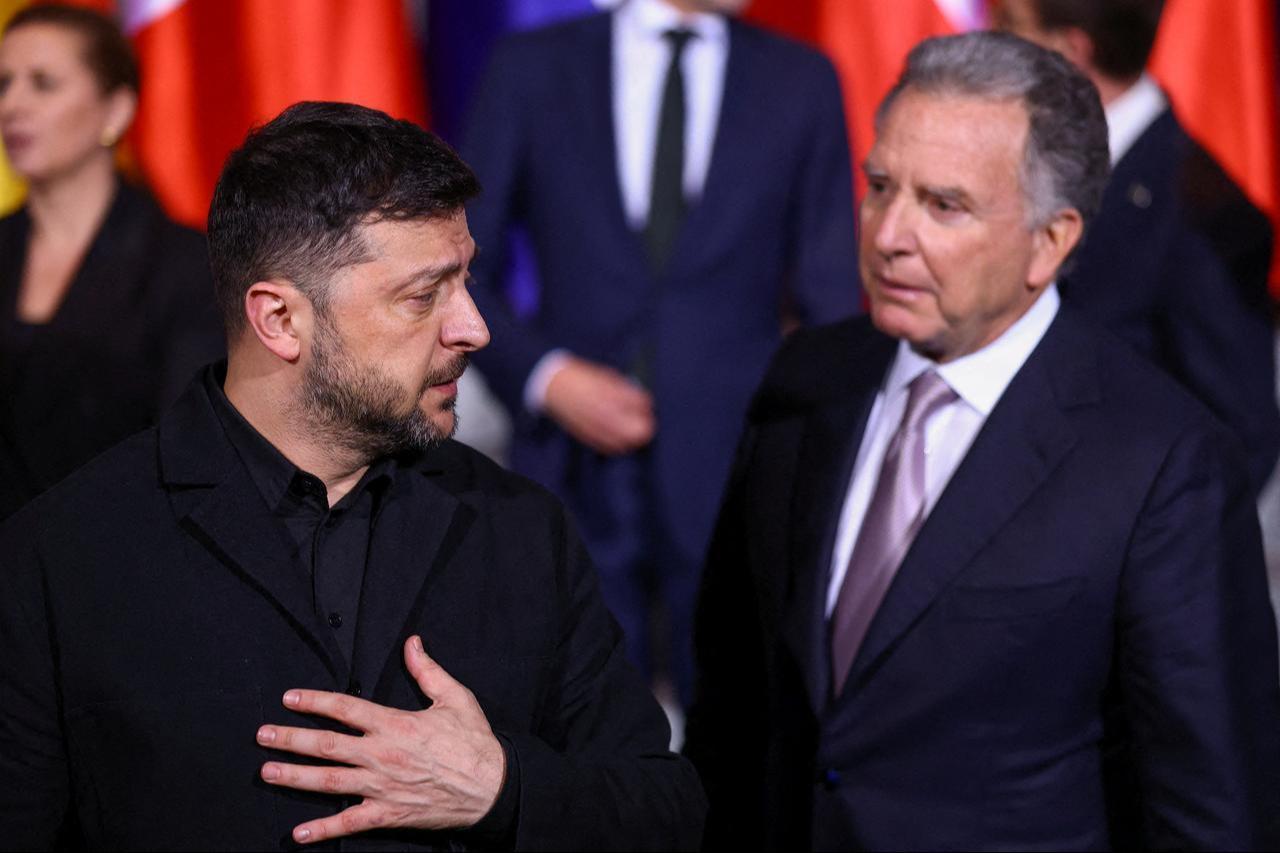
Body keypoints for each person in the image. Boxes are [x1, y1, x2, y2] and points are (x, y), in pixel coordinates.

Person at [0, 101, 705, 851]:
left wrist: (503, 785)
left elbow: (665, 811)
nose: (474, 327)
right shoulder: (63, 556)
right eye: (422, 295)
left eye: (465, 281)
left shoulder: (521, 526)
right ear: (280, 320)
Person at [684, 31, 1280, 850]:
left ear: (1052, 240)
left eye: (944, 205)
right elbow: (735, 701)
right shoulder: (806, 379)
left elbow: (1209, 807)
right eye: (880, 186)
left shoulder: (1163, 463)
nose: (889, 234)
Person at [461, 0, 861, 707]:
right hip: (566, 467)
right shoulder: (533, 65)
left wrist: (831, 467)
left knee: (736, 740)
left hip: (736, 471)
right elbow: (461, 263)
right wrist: (547, 377)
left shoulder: (800, 79)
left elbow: (834, 301)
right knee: (574, 728)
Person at [994, 0, 1280, 492]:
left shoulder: (1204, 218)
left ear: (1071, 50)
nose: (991, 42)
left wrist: (1132, 552)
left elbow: (1240, 438)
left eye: (1011, 27)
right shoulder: (1015, 158)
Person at [0, 4, 223, 519]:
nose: (13, 104)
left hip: (113, 567)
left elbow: (188, 454)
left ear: (116, 110)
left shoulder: (185, 266)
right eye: (4, 83)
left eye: (43, 83)